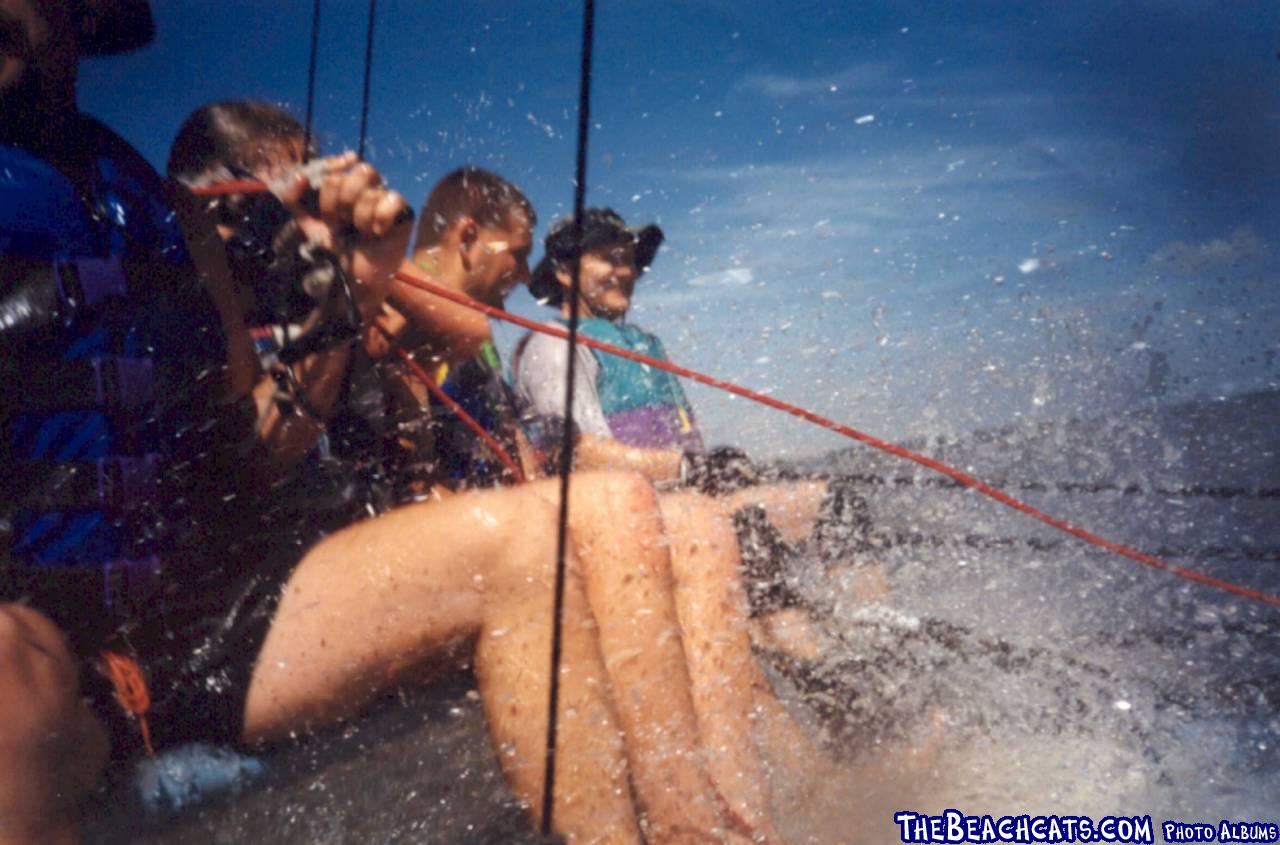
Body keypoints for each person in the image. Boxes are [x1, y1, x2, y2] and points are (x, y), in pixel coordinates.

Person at [167, 99, 799, 844]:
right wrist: (353, 271)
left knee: (694, 527)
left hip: (445, 533)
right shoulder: (219, 298)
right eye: (301, 182)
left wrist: (347, 269)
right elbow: (450, 332)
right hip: (289, 589)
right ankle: (689, 826)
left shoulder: (330, 288)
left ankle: (739, 812)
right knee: (609, 515)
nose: (524, 274)